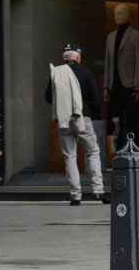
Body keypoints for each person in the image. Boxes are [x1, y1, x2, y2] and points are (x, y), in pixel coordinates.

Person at [44, 44, 107, 205]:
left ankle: (75, 196)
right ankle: (98, 191)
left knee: (69, 157)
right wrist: (93, 115)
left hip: (63, 120)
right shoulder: (85, 72)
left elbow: (49, 98)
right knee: (93, 152)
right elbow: (95, 98)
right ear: (78, 57)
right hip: (82, 118)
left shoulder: (56, 72)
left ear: (65, 58)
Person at [104, 3, 139, 145]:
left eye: (119, 13)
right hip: (115, 86)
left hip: (130, 85)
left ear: (127, 14)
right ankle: (118, 149)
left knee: (133, 121)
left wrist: (137, 86)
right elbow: (108, 62)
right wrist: (106, 86)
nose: (116, 17)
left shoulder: (136, 35)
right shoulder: (110, 37)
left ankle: (137, 149)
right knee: (116, 121)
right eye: (115, 14)